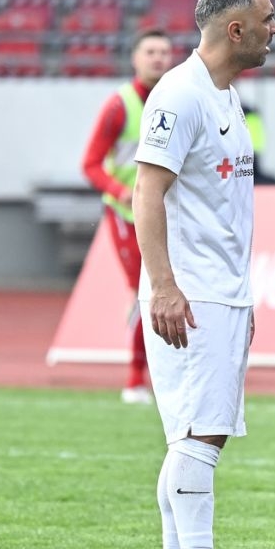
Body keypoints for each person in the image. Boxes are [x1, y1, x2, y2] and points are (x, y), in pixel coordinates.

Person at [135, 0, 275, 549]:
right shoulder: (180, 94)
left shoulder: (224, 96)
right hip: (192, 294)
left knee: (191, 437)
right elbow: (147, 192)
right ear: (235, 29)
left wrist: (240, 301)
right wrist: (165, 286)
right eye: (267, 19)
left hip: (220, 293)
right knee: (201, 433)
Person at [81, 28, 176, 403]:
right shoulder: (119, 106)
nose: (158, 58)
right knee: (146, 292)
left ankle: (163, 371)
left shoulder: (178, 100)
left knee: (161, 292)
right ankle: (135, 378)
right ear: (135, 58)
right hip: (127, 215)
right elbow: (90, 164)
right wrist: (122, 191)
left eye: (164, 52)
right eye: (150, 51)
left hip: (166, 214)